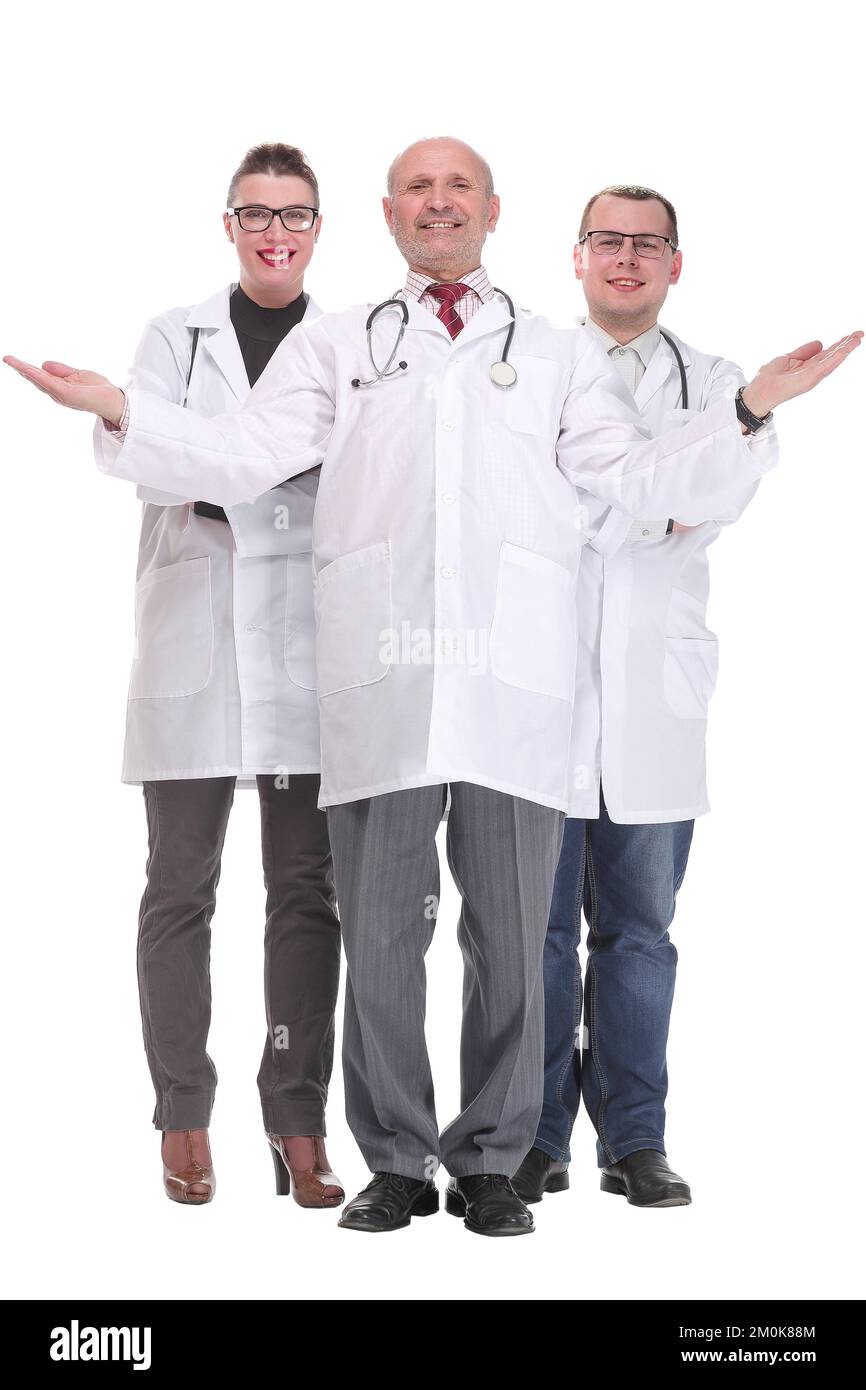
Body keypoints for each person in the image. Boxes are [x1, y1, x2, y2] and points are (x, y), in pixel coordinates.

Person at [5, 137, 859, 1237]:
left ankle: (496, 1161)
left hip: (513, 686)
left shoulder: (553, 354)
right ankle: (398, 1158)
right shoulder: (339, 342)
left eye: (458, 186)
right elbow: (243, 450)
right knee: (382, 937)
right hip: (383, 677)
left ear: (492, 212)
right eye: (418, 186)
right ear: (388, 213)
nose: (438, 202)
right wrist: (125, 407)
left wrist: (741, 409)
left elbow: (629, 475)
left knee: (510, 940)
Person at [513, 184, 779, 1209]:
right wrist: (652, 501)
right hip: (534, 699)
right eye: (607, 242)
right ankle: (531, 1136)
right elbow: (528, 503)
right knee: (528, 933)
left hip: (654, 705)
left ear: (675, 263)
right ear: (575, 257)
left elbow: (722, 490)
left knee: (638, 932)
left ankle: (634, 1138)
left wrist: (648, 496)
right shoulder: (528, 372)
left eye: (646, 244)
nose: (625, 259)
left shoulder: (715, 381)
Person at [95, 142, 344, 1207]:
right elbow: (151, 458)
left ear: (318, 226)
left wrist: (212, 463)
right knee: (179, 887)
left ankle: (296, 1119)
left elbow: (352, 480)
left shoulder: (346, 346)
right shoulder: (173, 336)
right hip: (194, 643)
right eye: (256, 213)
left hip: (306, 654)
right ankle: (182, 1116)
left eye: (293, 214)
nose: (274, 230)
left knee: (304, 893)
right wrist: (242, 470)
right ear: (230, 224)